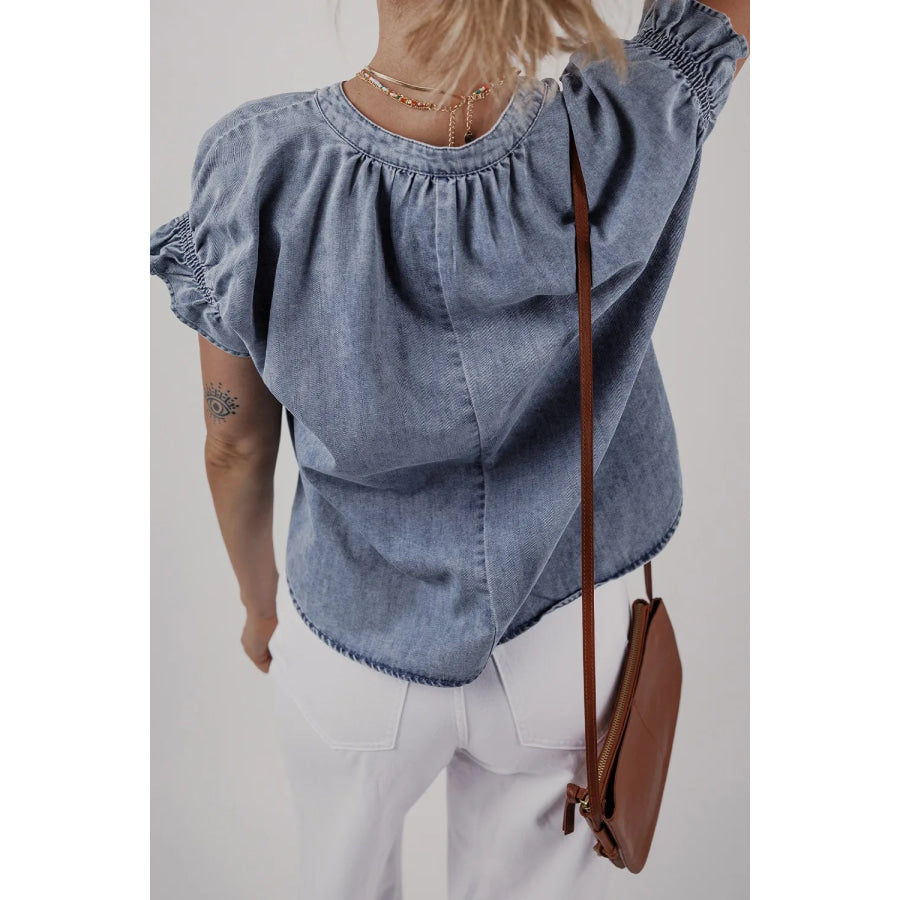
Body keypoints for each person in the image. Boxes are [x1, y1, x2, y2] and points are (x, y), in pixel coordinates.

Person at [149, 0, 749, 895]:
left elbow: (232, 441)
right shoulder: (613, 128)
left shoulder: (258, 165)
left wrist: (258, 601)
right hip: (565, 643)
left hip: (354, 640)